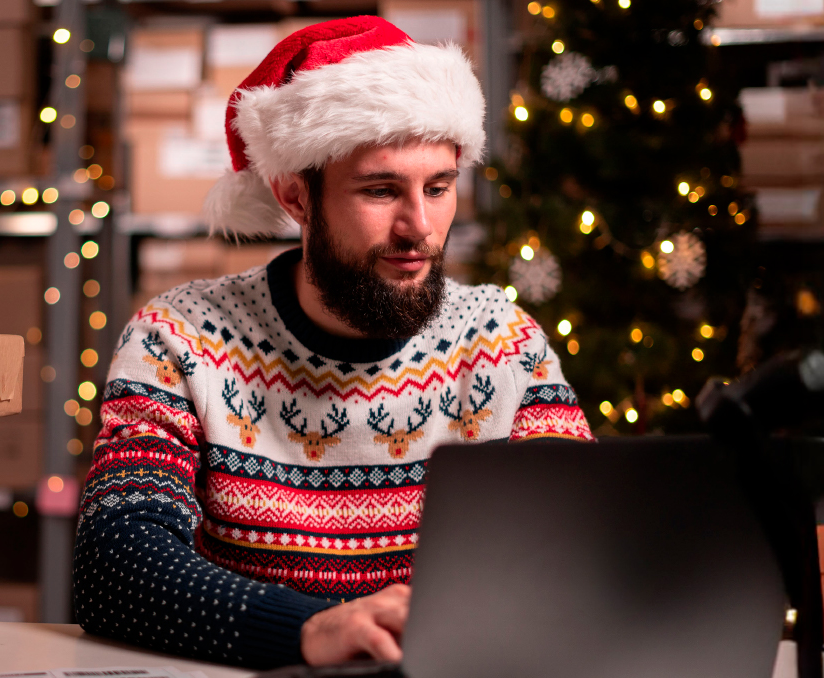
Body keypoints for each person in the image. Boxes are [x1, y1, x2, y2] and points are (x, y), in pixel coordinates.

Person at [75, 16, 595, 669]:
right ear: (294, 196)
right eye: (381, 190)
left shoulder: (503, 341)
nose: (420, 228)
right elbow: (113, 564)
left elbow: (581, 549)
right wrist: (311, 630)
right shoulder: (178, 338)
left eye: (437, 188)